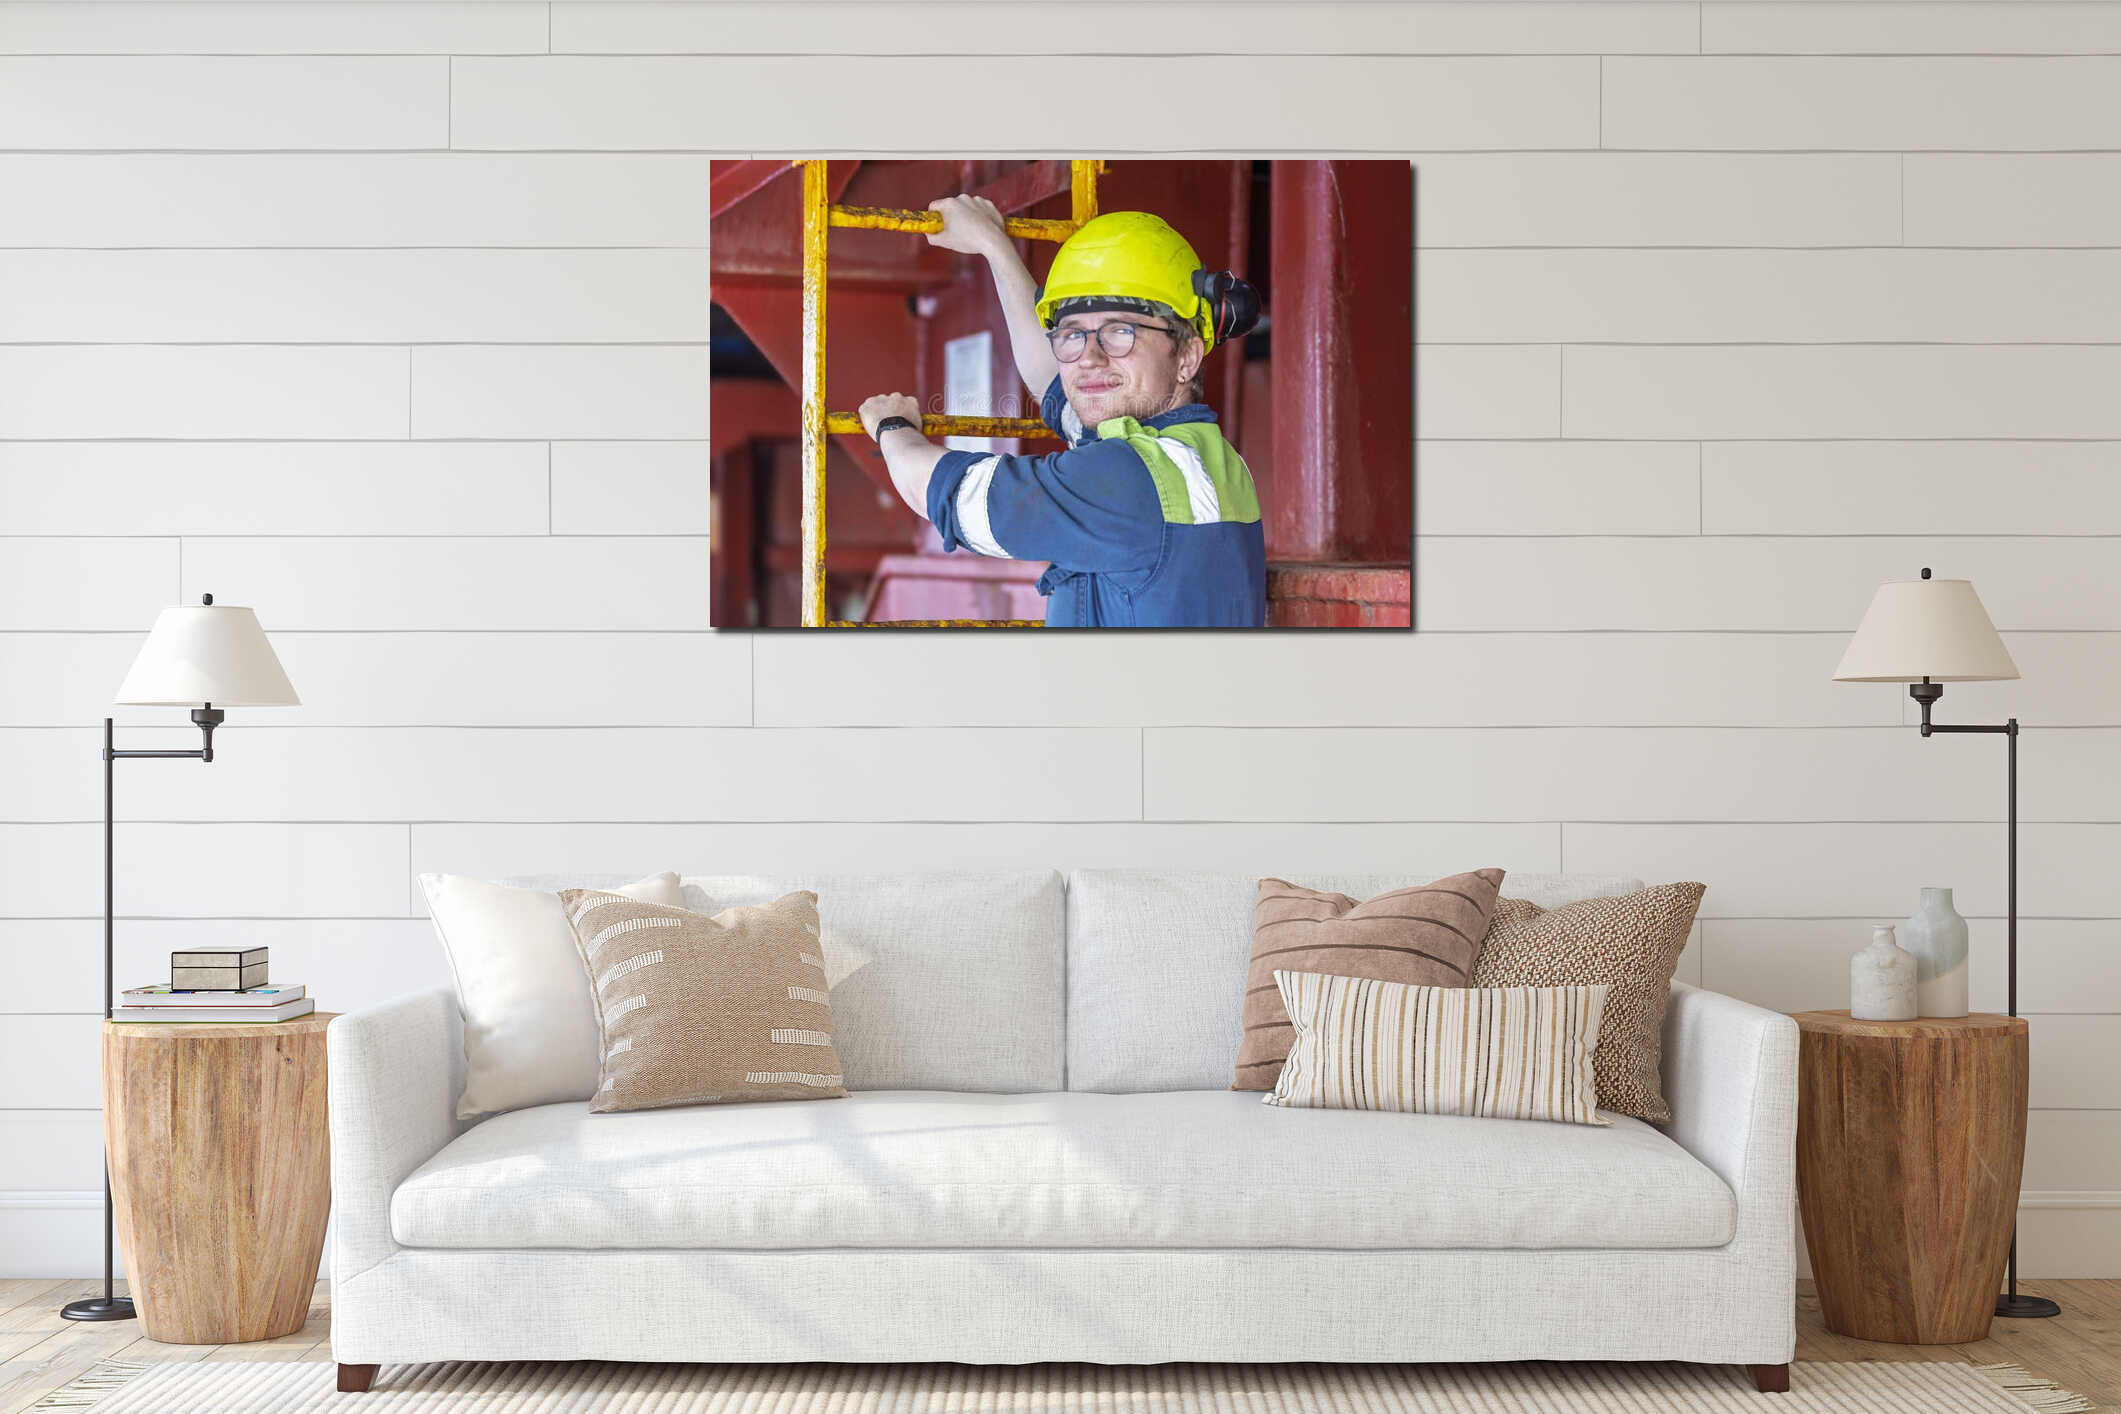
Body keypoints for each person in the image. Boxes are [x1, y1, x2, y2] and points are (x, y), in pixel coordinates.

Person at [857, 196, 1265, 627]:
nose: (1089, 357)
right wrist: (994, 246)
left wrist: (893, 427)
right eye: (1072, 334)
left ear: (1187, 356)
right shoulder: (1206, 461)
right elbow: (1052, 384)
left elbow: (947, 493)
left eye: (1121, 331)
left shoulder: (1131, 479)